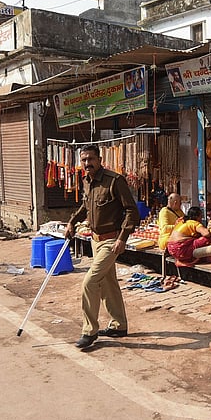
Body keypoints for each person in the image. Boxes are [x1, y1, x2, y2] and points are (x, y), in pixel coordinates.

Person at [61, 144, 140, 350]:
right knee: (107, 283)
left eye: (91, 159)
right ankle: (119, 325)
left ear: (100, 160)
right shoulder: (86, 181)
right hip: (95, 240)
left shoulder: (115, 181)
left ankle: (89, 331)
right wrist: (72, 222)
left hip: (111, 241)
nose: (87, 163)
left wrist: (122, 238)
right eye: (84, 160)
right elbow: (86, 206)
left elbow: (132, 211)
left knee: (90, 282)